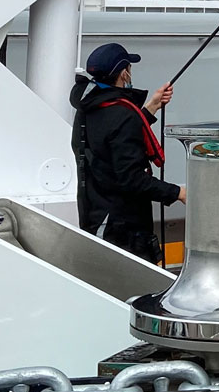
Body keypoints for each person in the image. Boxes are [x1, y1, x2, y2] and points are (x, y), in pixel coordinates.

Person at [69, 41, 180, 261]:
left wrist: (151, 107)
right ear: (124, 73)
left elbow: (110, 141)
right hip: (124, 229)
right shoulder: (122, 115)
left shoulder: (87, 109)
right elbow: (132, 180)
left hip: (94, 216)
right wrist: (179, 193)